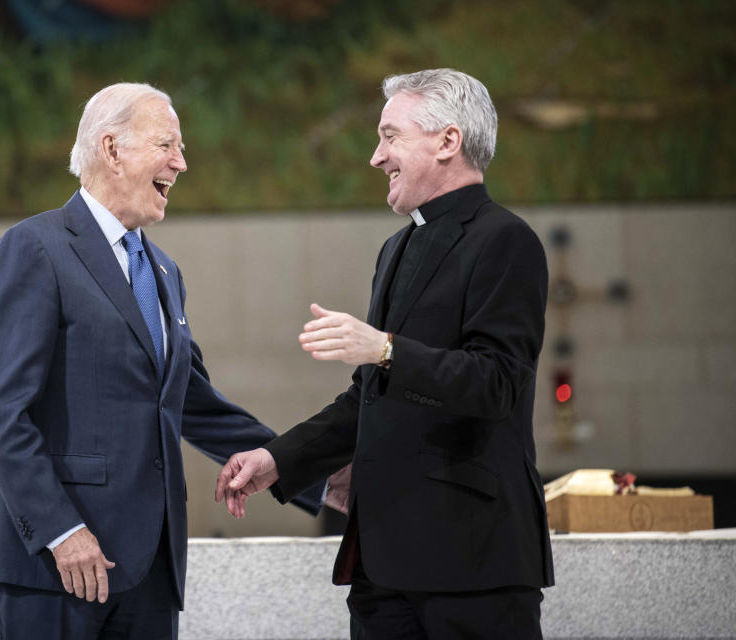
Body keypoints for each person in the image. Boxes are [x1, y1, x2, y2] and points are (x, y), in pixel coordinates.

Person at [0, 82, 322, 639]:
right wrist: (62, 531)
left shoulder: (163, 270)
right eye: (167, 145)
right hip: (58, 563)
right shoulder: (35, 247)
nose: (181, 164)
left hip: (153, 565)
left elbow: (192, 403)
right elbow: (1, 413)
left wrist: (310, 470)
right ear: (112, 149)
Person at [216, 69, 554, 638]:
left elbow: (499, 382)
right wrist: (280, 459)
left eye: (389, 136)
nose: (376, 157)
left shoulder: (506, 240)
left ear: (448, 141)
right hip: (383, 568)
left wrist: (387, 349)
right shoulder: (397, 248)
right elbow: (368, 396)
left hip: (472, 562)